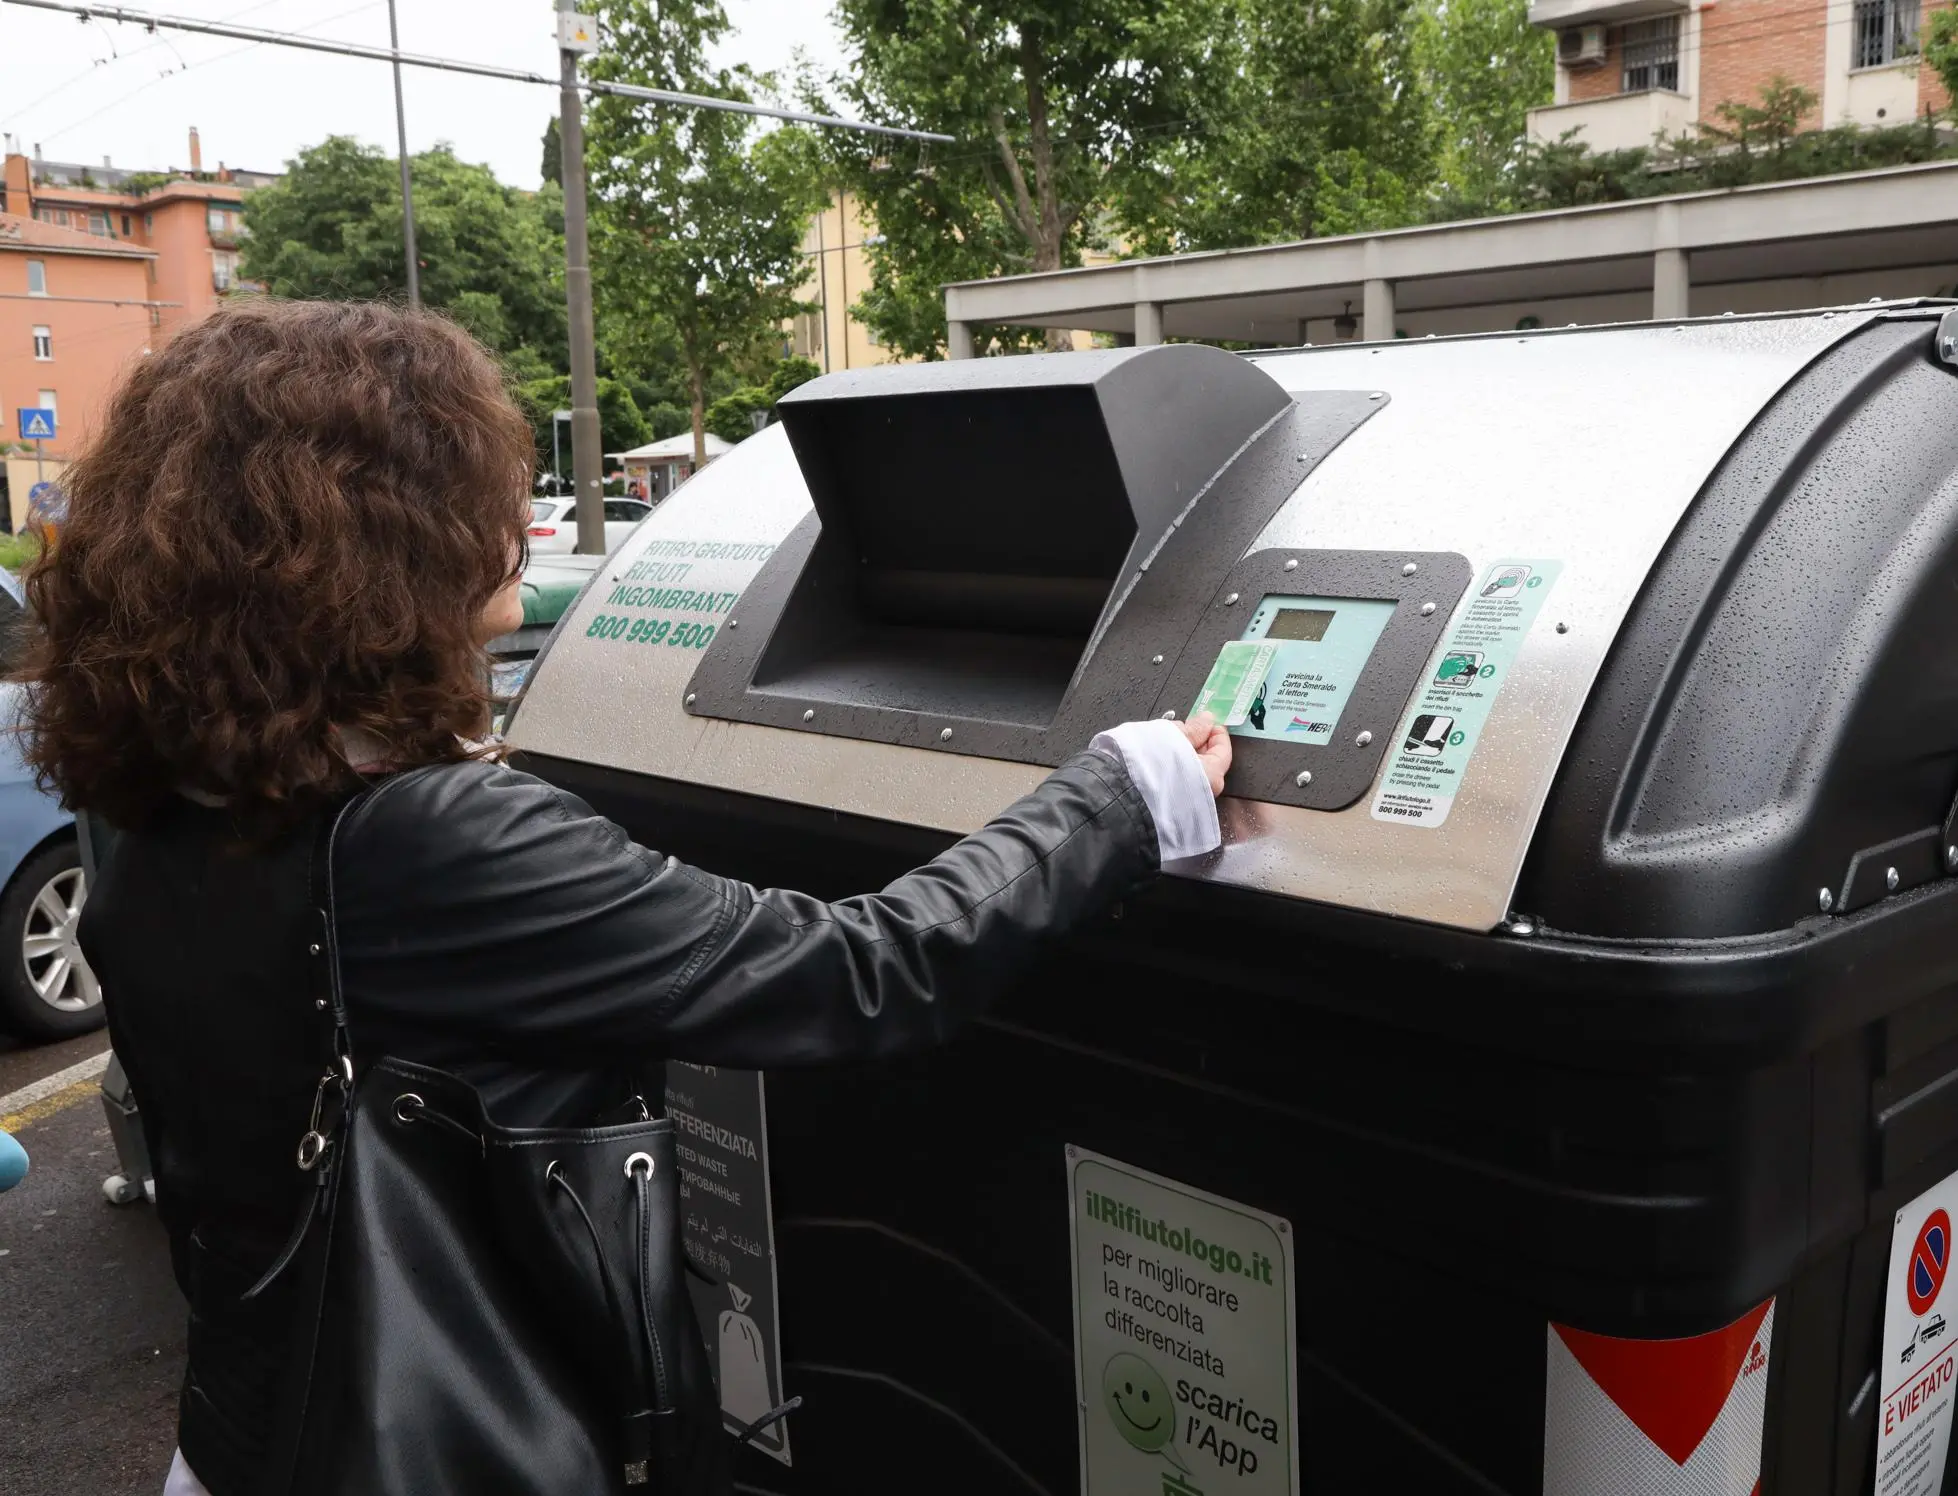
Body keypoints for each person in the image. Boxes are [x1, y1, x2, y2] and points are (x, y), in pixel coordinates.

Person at [14, 299, 1231, 1496]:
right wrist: (1123, 791)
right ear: (380, 542)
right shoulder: (429, 840)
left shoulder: (148, 792)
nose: (517, 527)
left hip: (247, 1427)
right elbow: (862, 973)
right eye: (480, 493)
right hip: (441, 1443)